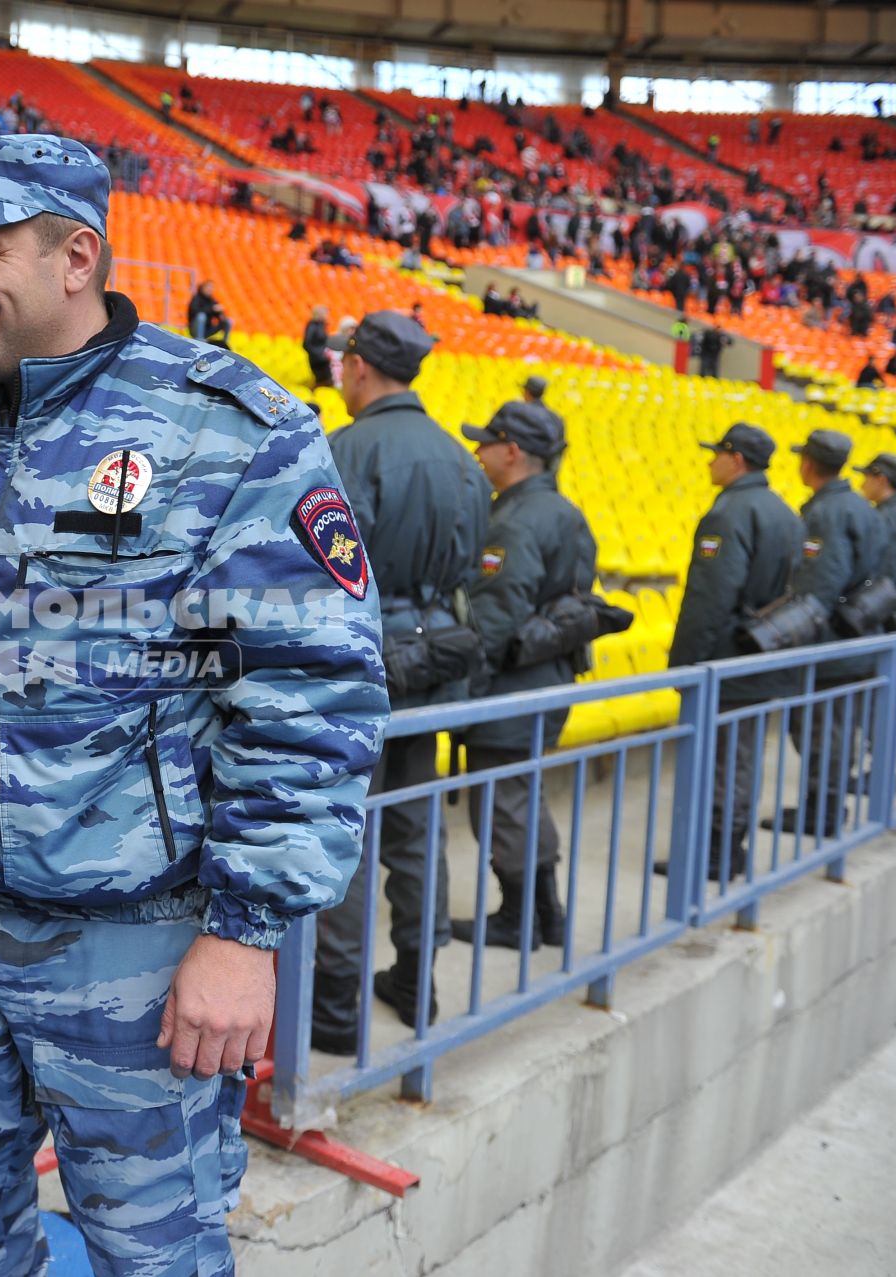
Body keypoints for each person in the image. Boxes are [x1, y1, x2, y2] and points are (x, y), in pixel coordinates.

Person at [0, 131, 386, 1272]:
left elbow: (311, 693)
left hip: (137, 956)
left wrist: (244, 931)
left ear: (77, 257)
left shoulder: (227, 432)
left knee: (154, 1254)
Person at [315, 310, 491, 1052]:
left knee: (344, 837)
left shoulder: (348, 450)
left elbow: (324, 577)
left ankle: (333, 1009)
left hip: (361, 663)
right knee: (417, 828)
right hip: (431, 667)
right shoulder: (463, 460)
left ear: (359, 366)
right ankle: (419, 983)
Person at [452, 402, 595, 949]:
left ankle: (519, 920)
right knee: (525, 797)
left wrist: (471, 697)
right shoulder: (563, 510)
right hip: (551, 678)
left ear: (512, 451)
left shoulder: (514, 519)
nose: (478, 452)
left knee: (504, 806)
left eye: (486, 442)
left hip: (513, 686)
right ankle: (547, 914)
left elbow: (495, 618)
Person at [659, 424, 801, 878]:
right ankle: (729, 850)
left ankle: (713, 855)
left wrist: (686, 666)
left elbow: (710, 598)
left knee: (719, 760)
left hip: (727, 658)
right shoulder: (785, 511)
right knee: (741, 757)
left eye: (716, 454)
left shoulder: (729, 513)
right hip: (763, 651)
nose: (710, 462)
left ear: (736, 459)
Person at [764, 429, 890, 839]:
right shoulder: (862, 508)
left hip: (830, 645)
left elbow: (821, 583)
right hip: (857, 637)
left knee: (819, 732)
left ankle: (822, 813)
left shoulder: (827, 513)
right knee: (835, 730)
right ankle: (826, 807)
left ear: (808, 464)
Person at [860, 454, 896, 590]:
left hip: (892, 603)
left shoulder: (885, 517)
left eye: (867, 478)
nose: (862, 485)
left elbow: (885, 576)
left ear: (881, 480)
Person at [187, 280, 231, 347]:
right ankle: (199, 339)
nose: (210, 289)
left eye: (212, 288)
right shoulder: (197, 298)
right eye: (208, 287)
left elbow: (218, 315)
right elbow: (194, 311)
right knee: (201, 316)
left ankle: (225, 341)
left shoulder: (212, 300)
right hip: (195, 329)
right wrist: (211, 309)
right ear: (202, 288)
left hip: (208, 329)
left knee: (228, 321)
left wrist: (221, 314)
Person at [302, 303, 332, 387]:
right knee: (322, 381)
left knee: (327, 381)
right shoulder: (312, 326)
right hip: (317, 360)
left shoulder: (321, 325)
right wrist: (320, 354)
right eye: (325, 313)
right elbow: (306, 344)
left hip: (323, 359)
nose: (327, 315)